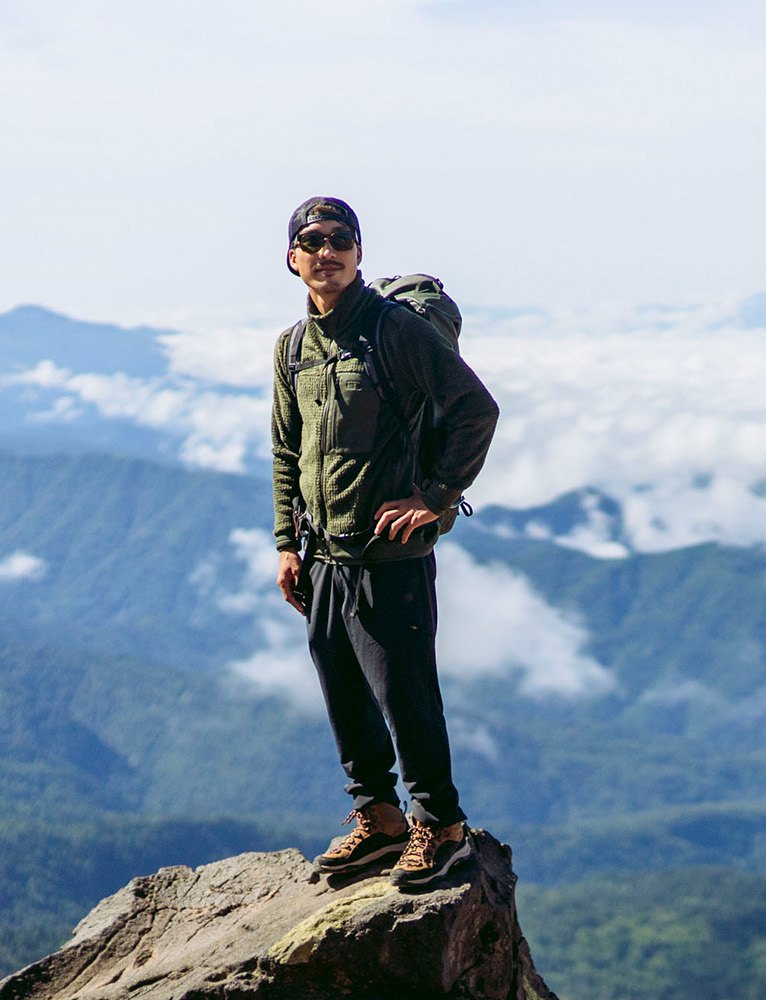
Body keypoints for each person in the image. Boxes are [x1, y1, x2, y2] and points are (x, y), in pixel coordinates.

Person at [271, 196, 499, 888]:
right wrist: (287, 543)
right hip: (324, 552)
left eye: (341, 239)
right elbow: (287, 449)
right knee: (344, 690)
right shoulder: (292, 348)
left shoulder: (393, 330)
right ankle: (379, 819)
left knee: (404, 694)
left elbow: (474, 411)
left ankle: (442, 827)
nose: (327, 251)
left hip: (389, 553)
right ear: (293, 260)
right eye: (312, 242)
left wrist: (430, 499)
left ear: (360, 254)